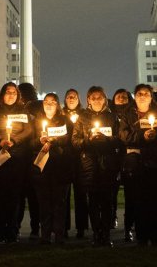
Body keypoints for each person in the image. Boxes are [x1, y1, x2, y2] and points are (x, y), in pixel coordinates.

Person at [119, 83, 157, 247]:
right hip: (136, 163)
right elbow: (124, 135)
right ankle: (142, 237)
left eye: (146, 93)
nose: (142, 96)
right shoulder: (128, 114)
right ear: (134, 96)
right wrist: (143, 135)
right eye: (139, 93)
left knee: (153, 201)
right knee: (138, 201)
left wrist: (156, 136)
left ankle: (156, 237)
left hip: (154, 162)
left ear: (151, 96)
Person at [72, 86, 121, 247]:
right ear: (88, 100)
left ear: (105, 99)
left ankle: (106, 234)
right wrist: (89, 141)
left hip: (107, 163)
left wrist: (106, 140)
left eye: (100, 97)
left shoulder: (112, 117)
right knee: (92, 200)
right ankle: (96, 232)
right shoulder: (82, 118)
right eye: (93, 97)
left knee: (106, 200)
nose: (97, 100)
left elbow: (119, 139)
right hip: (89, 162)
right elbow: (75, 141)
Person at [0, 82, 33, 244]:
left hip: (18, 157)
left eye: (14, 92)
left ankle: (13, 230)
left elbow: (28, 130)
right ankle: (1, 230)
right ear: (2, 94)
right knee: (1, 195)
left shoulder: (22, 111)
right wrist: (0, 141)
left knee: (16, 195)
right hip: (0, 156)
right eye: (8, 92)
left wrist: (14, 140)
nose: (11, 95)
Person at [32, 92, 72, 244]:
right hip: (42, 167)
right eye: (46, 101)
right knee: (44, 203)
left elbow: (68, 140)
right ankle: (45, 235)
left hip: (60, 166)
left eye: (53, 101)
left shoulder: (65, 120)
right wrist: (39, 141)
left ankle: (59, 235)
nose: (49, 104)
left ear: (57, 105)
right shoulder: (36, 122)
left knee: (59, 202)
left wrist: (55, 141)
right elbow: (30, 143)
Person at [62, 88, 88, 238]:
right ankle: (64, 226)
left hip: (80, 158)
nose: (71, 99)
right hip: (65, 158)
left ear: (79, 100)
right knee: (64, 195)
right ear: (65, 100)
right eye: (68, 97)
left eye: (74, 97)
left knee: (81, 193)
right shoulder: (61, 115)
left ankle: (81, 227)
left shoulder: (83, 116)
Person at [17, 81, 41, 239]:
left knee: (23, 196)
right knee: (33, 196)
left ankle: (17, 227)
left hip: (24, 155)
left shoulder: (28, 109)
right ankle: (34, 228)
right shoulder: (38, 107)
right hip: (31, 155)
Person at [111, 88, 134, 238]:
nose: (121, 98)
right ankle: (112, 216)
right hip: (112, 156)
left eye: (124, 97)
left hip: (129, 157)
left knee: (130, 193)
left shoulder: (132, 114)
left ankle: (129, 225)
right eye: (118, 96)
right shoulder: (109, 114)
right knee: (111, 190)